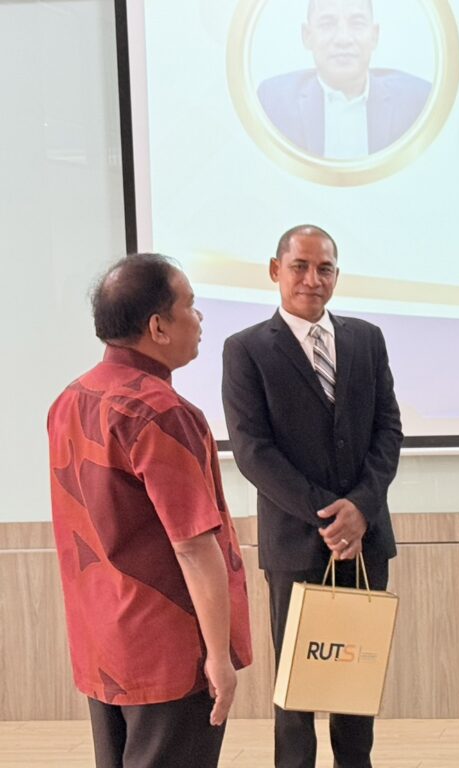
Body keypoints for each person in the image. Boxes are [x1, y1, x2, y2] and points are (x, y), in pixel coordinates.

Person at [47, 253, 253, 768]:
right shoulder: (161, 411)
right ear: (158, 327)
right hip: (168, 649)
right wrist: (219, 657)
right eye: (191, 306)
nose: (199, 319)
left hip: (103, 641)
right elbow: (193, 545)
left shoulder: (69, 400)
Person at [222, 224, 403, 768]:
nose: (312, 279)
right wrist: (329, 516)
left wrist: (361, 508)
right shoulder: (247, 349)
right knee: (296, 686)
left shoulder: (366, 339)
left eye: (324, 268)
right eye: (299, 266)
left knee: (356, 680)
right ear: (275, 270)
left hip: (364, 540)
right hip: (297, 541)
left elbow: (388, 430)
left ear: (336, 276)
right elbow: (252, 451)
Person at [258, 0, 432, 159]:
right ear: (307, 36)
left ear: (374, 36)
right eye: (327, 24)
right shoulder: (272, 102)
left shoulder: (418, 102)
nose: (343, 39)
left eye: (357, 23)